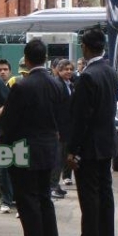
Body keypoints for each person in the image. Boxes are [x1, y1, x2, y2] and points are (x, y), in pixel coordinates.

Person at [0, 38, 64, 236]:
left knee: (28, 203)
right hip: (48, 149)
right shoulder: (56, 84)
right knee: (45, 200)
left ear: (25, 59)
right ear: (45, 57)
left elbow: (9, 121)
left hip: (24, 150)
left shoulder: (22, 86)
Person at [61, 28, 118, 236]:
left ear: (85, 47)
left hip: (90, 146)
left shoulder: (88, 76)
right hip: (107, 144)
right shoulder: (110, 72)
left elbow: (81, 117)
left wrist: (72, 149)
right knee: (105, 196)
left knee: (90, 198)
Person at [0, 59, 15, 213]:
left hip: (12, 133)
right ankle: (3, 198)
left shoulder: (16, 88)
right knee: (1, 168)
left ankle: (8, 197)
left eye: (5, 69)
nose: (2, 72)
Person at [50, 59, 75, 198]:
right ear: (59, 70)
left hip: (67, 127)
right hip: (59, 128)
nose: (69, 71)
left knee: (62, 157)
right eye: (66, 69)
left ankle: (56, 184)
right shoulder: (57, 85)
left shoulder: (69, 84)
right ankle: (52, 186)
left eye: (71, 69)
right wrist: (56, 129)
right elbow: (55, 108)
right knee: (57, 158)